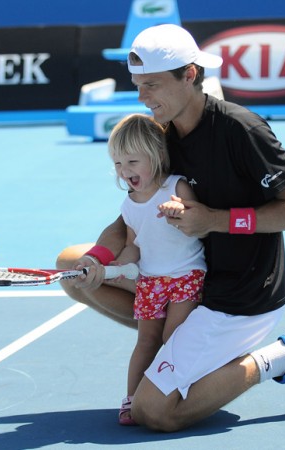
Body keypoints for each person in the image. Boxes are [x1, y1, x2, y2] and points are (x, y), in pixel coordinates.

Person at [56, 24, 285, 432]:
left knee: (153, 411)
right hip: (183, 279)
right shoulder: (162, 136)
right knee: (72, 269)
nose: (141, 97)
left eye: (151, 85)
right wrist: (97, 259)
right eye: (138, 85)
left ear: (189, 75)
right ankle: (174, 344)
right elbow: (126, 221)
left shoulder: (242, 130)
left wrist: (214, 220)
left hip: (239, 296)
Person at [106, 113, 207, 426]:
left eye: (133, 162)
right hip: (151, 281)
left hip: (187, 276)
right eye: (119, 164)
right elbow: (134, 242)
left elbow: (198, 224)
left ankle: (177, 391)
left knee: (172, 337)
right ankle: (131, 398)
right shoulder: (129, 204)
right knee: (146, 341)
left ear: (156, 155)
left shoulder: (176, 186)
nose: (125, 172)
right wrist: (124, 260)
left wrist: (179, 210)